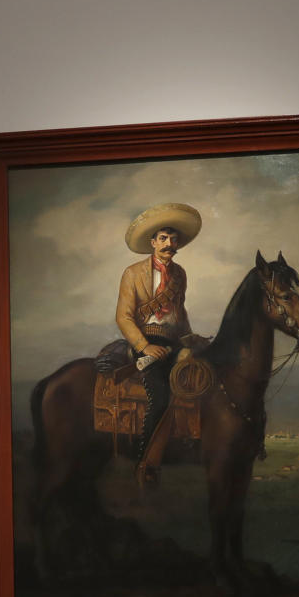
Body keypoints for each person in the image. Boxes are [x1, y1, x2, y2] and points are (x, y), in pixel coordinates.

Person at [115, 202, 202, 483]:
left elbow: (180, 314)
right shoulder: (132, 273)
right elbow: (124, 317)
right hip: (145, 341)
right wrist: (143, 347)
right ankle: (146, 464)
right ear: (152, 242)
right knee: (161, 394)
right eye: (163, 238)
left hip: (173, 341)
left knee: (203, 374)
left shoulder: (180, 275)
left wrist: (191, 339)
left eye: (173, 239)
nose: (169, 243)